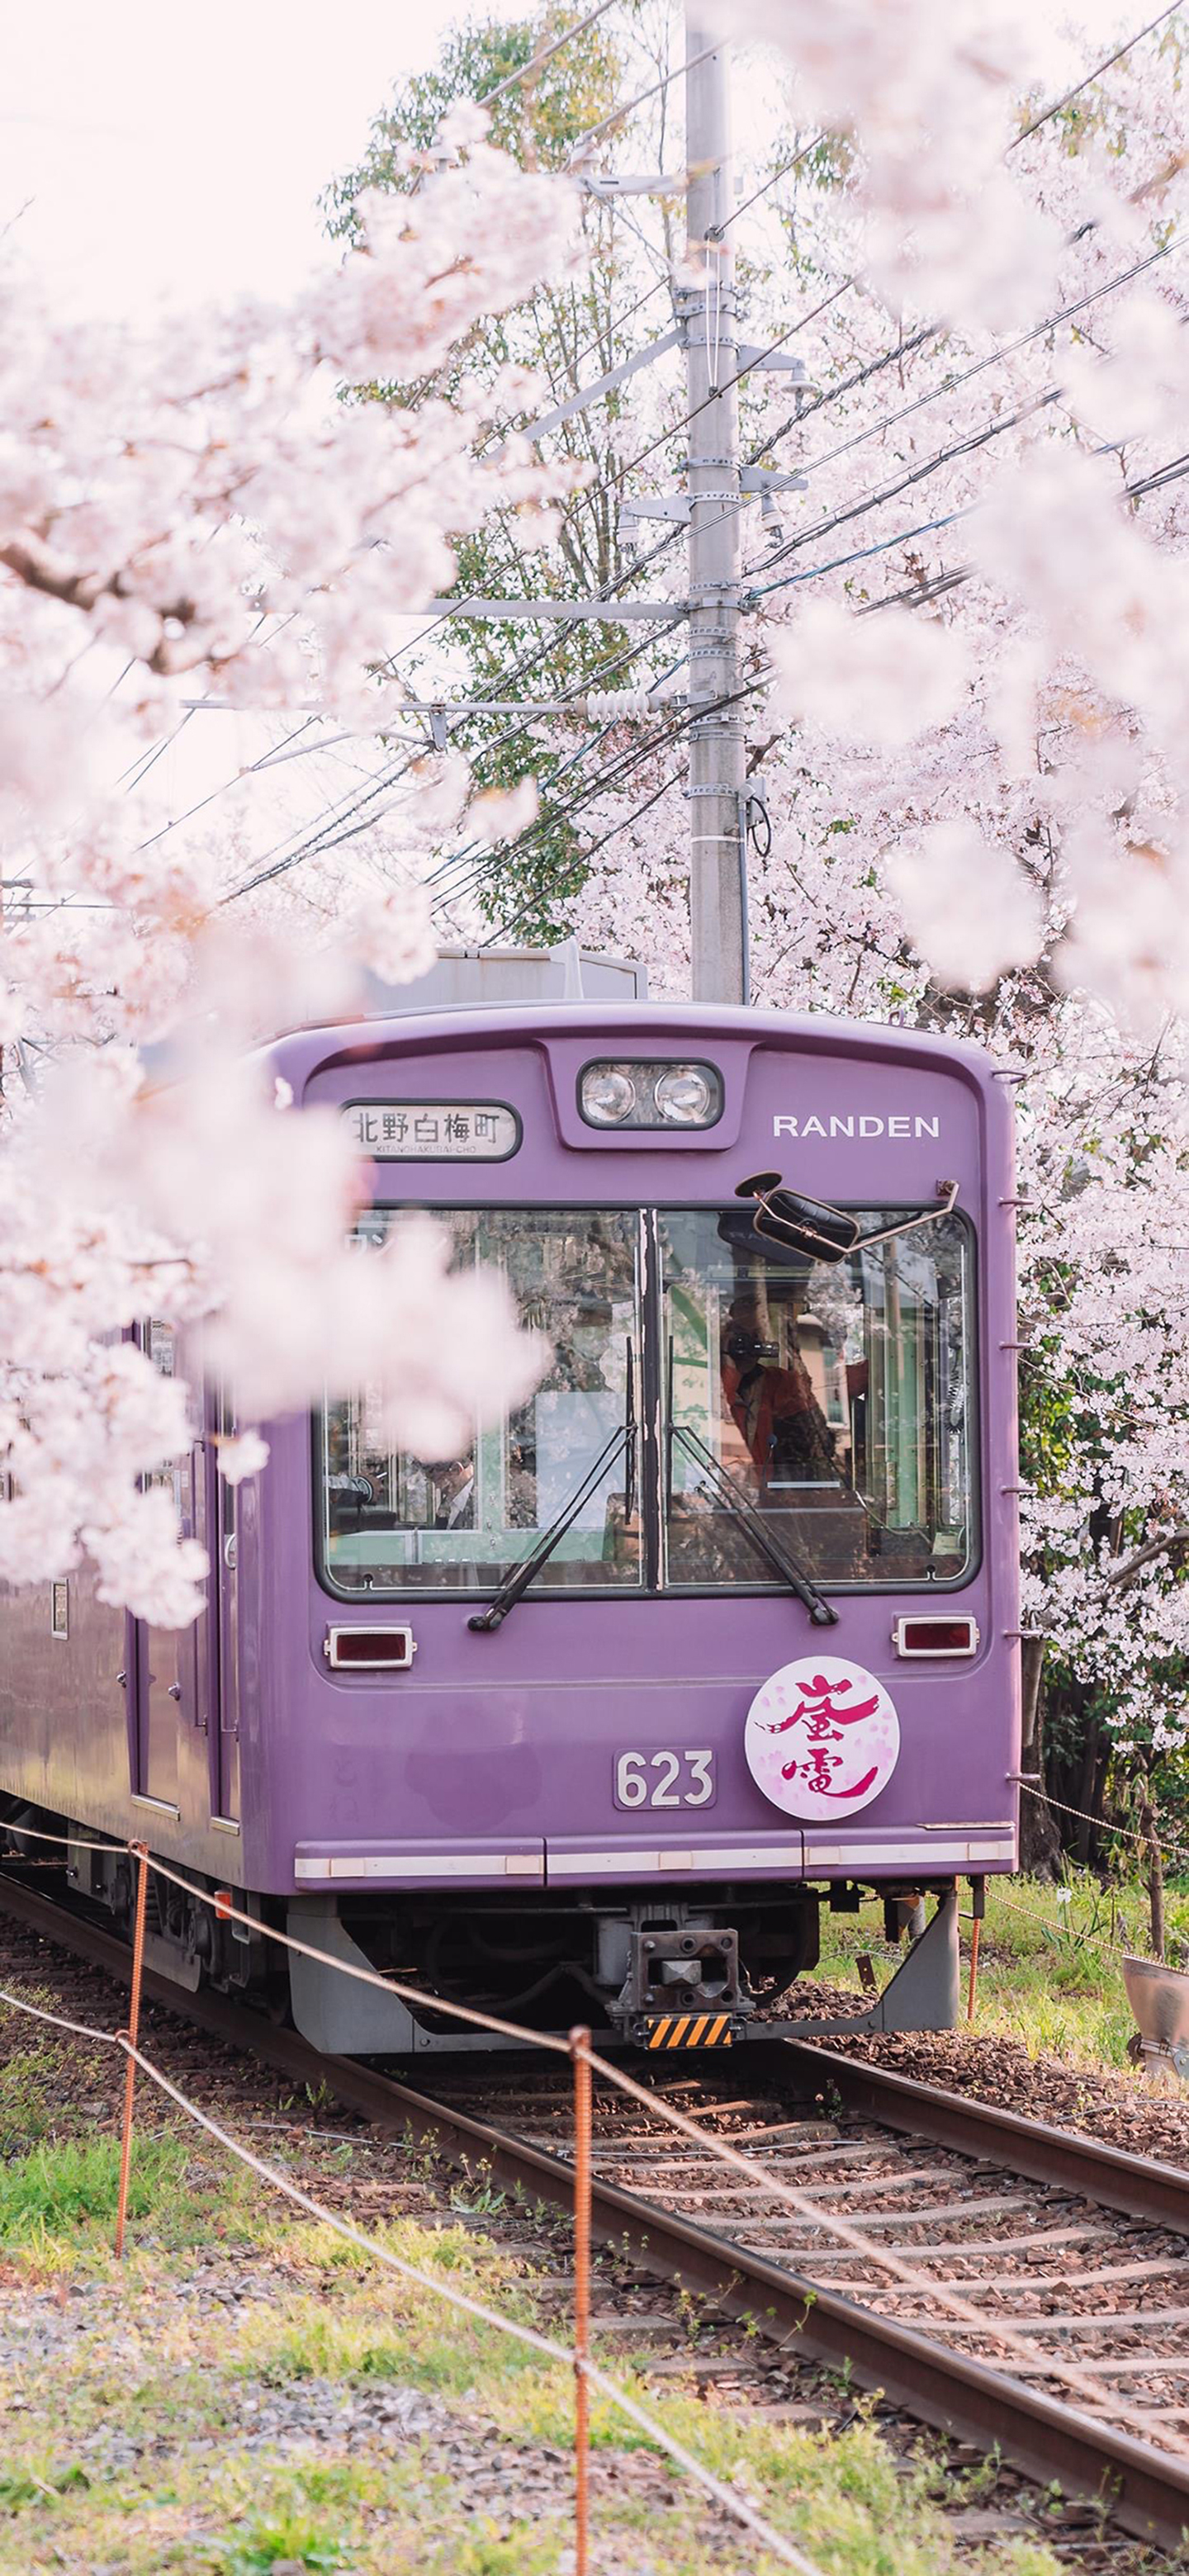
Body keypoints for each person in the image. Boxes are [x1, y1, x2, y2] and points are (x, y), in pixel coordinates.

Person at [720, 1290, 836, 1489]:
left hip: (776, 1497)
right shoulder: (709, 1378)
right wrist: (727, 1363)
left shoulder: (781, 1382)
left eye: (755, 1335)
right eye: (739, 1335)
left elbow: (817, 1443)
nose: (746, 1343)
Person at [432, 1456, 476, 1530]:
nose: (437, 1487)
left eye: (440, 1479)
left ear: (457, 1470)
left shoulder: (482, 1501)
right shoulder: (446, 1503)